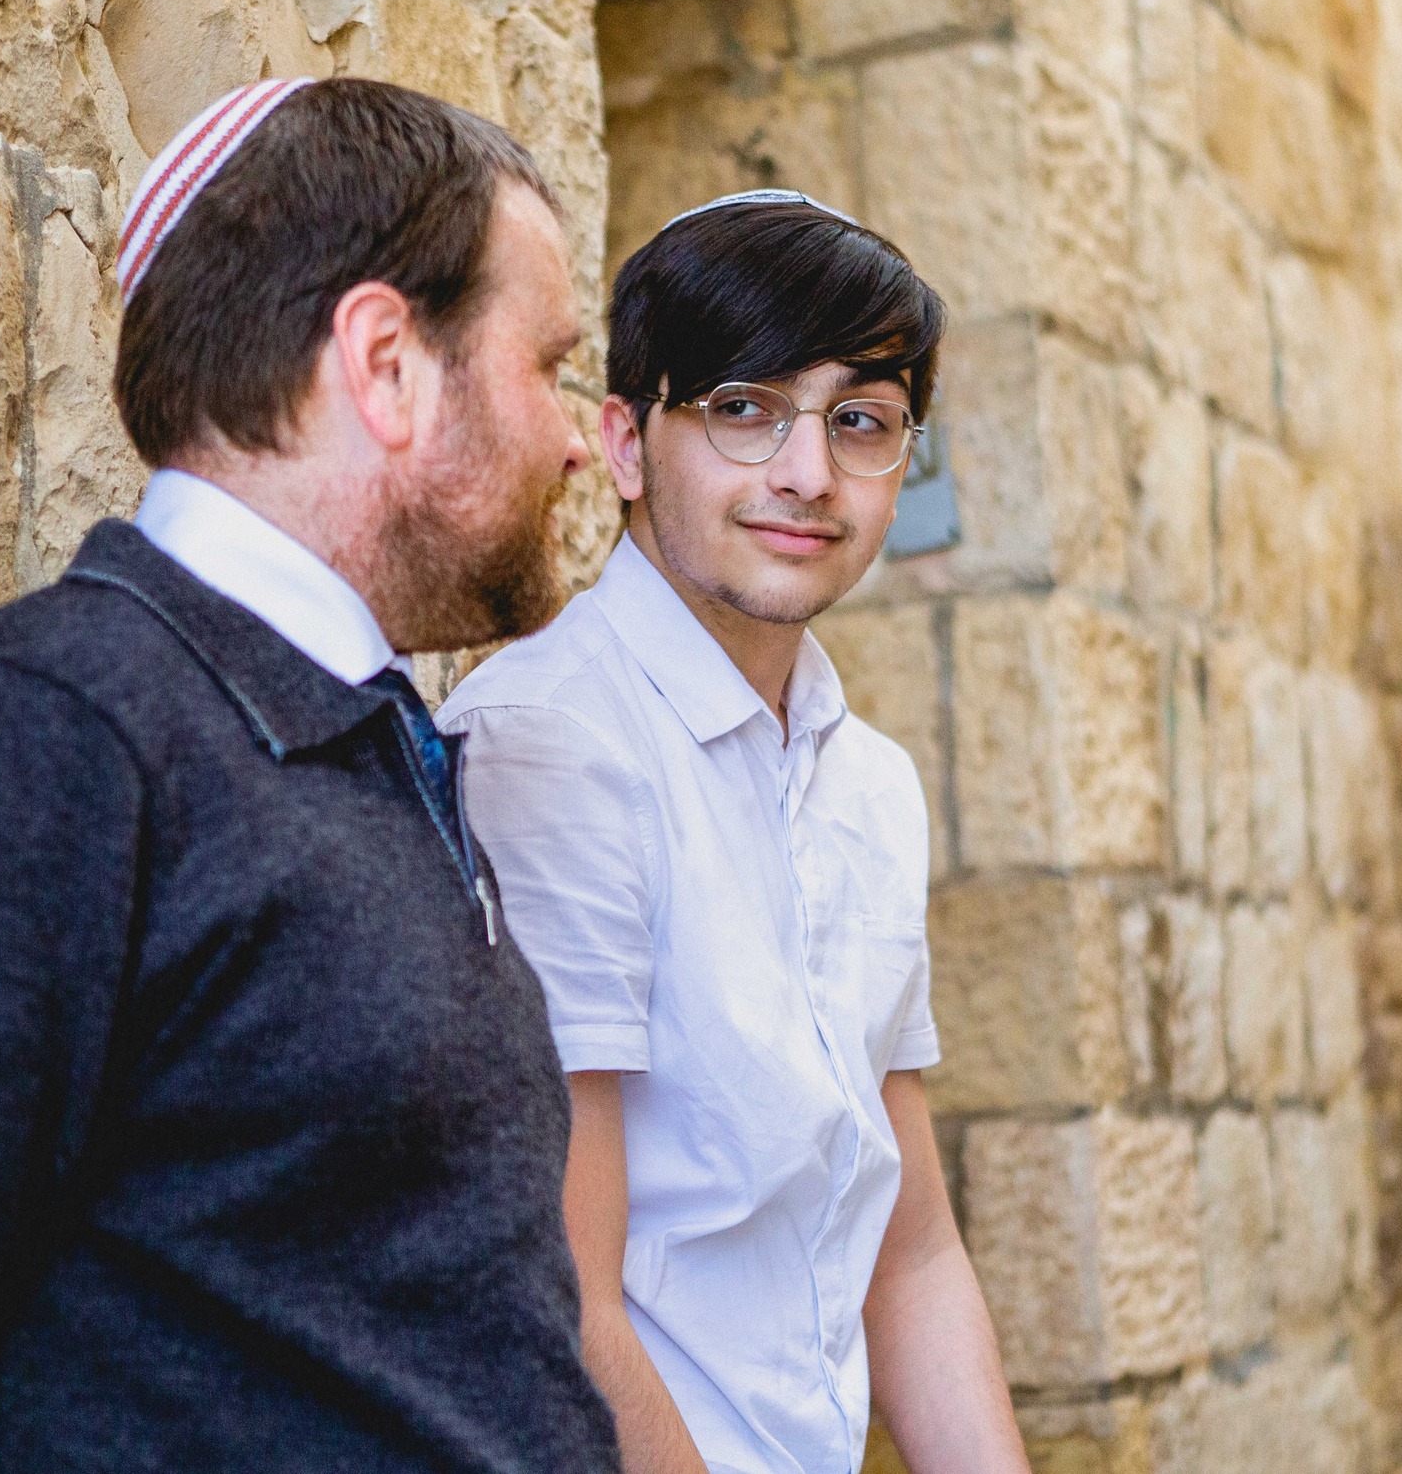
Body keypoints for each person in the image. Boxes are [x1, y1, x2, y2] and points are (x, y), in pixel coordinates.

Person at [0, 78, 621, 1474]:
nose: (574, 437)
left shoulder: (354, 737)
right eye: (547, 364)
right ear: (385, 361)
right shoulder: (40, 744)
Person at [438, 190, 1030, 1474]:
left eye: (860, 421)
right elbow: (560, 1302)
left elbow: (911, 1255)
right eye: (743, 409)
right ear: (626, 443)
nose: (808, 474)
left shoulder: (870, 786)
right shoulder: (552, 744)